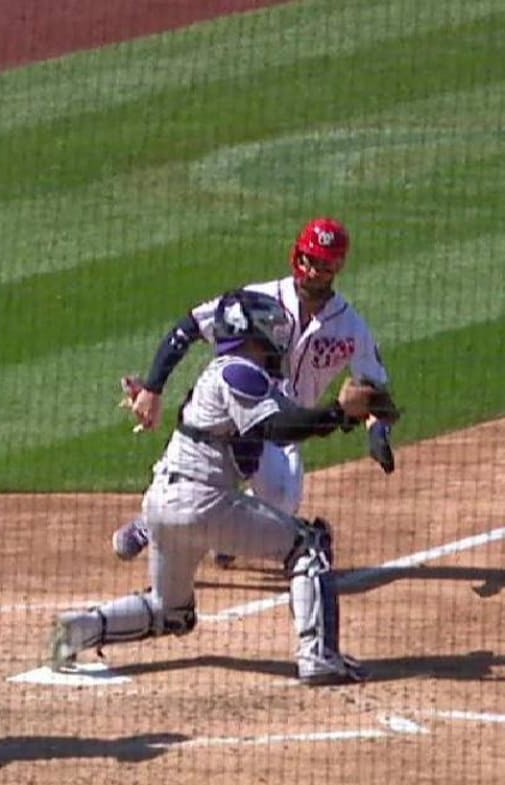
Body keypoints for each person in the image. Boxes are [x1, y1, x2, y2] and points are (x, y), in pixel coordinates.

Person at [50, 290, 378, 684]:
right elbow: (278, 428)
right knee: (307, 543)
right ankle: (318, 657)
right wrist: (340, 412)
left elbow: (279, 425)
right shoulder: (239, 371)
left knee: (172, 612)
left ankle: (79, 629)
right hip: (200, 503)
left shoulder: (227, 374)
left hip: (162, 505)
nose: (277, 338)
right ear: (248, 332)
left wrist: (338, 417)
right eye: (269, 330)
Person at [113, 216, 398, 567]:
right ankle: (150, 524)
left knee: (281, 499)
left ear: (337, 266)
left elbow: (372, 386)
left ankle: (229, 533)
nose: (311, 270)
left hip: (287, 427)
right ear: (298, 256)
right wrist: (153, 389)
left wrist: (377, 429)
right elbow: (190, 326)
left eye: (322, 264)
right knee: (197, 473)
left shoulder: (350, 326)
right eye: (308, 259)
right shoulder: (258, 299)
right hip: (234, 415)